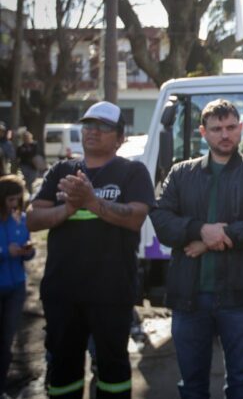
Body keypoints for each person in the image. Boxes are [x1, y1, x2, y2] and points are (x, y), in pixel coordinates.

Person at [150, 99, 243, 399]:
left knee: (239, 382)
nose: (225, 134)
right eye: (216, 129)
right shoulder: (180, 173)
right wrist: (201, 230)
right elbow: (161, 220)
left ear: (241, 128)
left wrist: (208, 241)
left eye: (231, 127)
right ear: (203, 132)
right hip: (190, 299)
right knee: (191, 385)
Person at [27, 101, 155, 398]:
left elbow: (136, 218)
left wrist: (92, 203)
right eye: (88, 125)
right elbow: (33, 219)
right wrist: (67, 209)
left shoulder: (132, 172)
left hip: (110, 293)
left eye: (103, 127)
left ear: (120, 137)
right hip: (62, 292)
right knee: (62, 369)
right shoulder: (62, 169)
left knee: (112, 369)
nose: (92, 132)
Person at [0, 175, 34, 395]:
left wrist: (27, 252)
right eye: (10, 200)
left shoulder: (21, 219)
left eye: (17, 200)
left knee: (6, 342)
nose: (14, 204)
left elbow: (27, 250)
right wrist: (4, 253)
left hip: (17, 287)